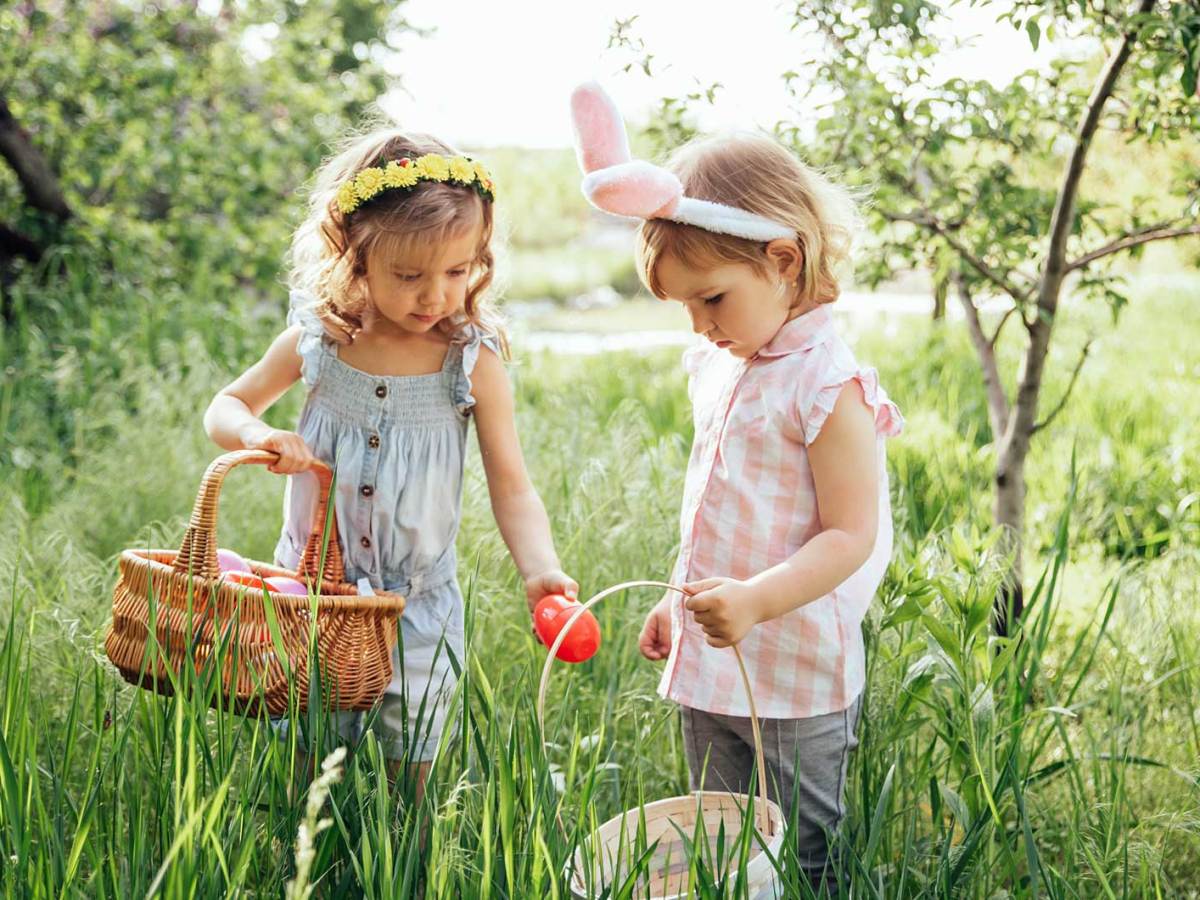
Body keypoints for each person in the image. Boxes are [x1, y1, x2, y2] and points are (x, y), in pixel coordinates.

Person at [570, 82, 903, 891]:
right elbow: (718, 504)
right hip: (716, 656)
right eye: (685, 306)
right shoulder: (723, 365)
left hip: (793, 665)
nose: (700, 324)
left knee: (800, 852)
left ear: (782, 260)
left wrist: (756, 599)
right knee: (717, 842)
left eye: (711, 297)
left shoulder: (828, 385)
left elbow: (849, 534)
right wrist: (677, 594)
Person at [204, 127, 577, 790]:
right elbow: (226, 406)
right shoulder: (319, 341)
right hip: (308, 597)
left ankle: (407, 865)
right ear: (355, 256)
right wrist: (258, 437)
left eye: (458, 272)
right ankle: (304, 866)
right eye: (409, 276)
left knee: (415, 769)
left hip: (418, 608)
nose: (435, 295)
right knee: (303, 759)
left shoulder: (471, 360)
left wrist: (540, 569)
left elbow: (513, 488)